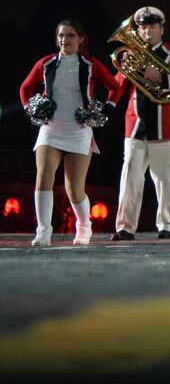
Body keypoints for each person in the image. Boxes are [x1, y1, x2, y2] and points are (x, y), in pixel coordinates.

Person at [19, 19, 123, 246]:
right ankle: (44, 231)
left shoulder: (91, 64)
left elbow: (116, 87)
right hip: (50, 129)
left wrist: (108, 108)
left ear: (81, 38)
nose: (64, 40)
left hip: (79, 130)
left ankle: (84, 225)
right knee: (43, 175)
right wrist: (31, 110)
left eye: (70, 35)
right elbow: (25, 88)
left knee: (74, 190)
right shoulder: (46, 63)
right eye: (61, 36)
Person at [111, 6, 170, 240]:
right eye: (143, 27)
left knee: (164, 178)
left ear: (161, 29)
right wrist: (123, 66)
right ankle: (124, 227)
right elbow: (118, 86)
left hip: (165, 125)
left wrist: (162, 77)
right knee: (130, 177)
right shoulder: (131, 52)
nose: (147, 31)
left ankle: (167, 225)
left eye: (152, 26)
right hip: (136, 125)